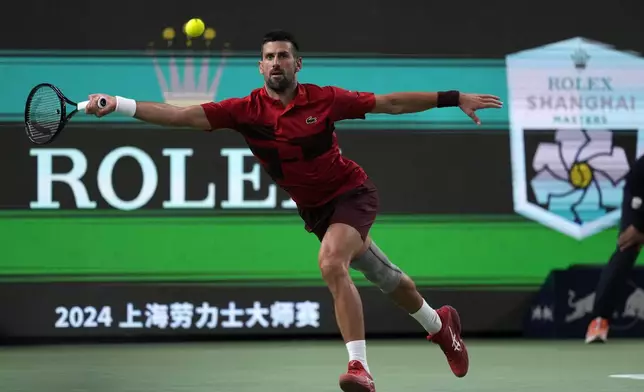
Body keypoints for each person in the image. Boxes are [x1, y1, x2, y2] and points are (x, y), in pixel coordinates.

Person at [85, 30, 503, 391]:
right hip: (317, 211)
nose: (275, 62)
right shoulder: (244, 111)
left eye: (283, 55)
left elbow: (390, 102)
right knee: (385, 276)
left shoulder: (324, 100)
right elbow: (179, 115)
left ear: (298, 64)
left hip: (352, 193)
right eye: (268, 57)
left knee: (331, 262)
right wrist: (118, 102)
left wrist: (454, 98)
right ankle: (440, 326)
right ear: (260, 68)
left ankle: (360, 367)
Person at [586, 154, 644, 344]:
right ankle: (599, 321)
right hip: (639, 198)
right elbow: (638, 192)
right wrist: (637, 226)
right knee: (627, 247)